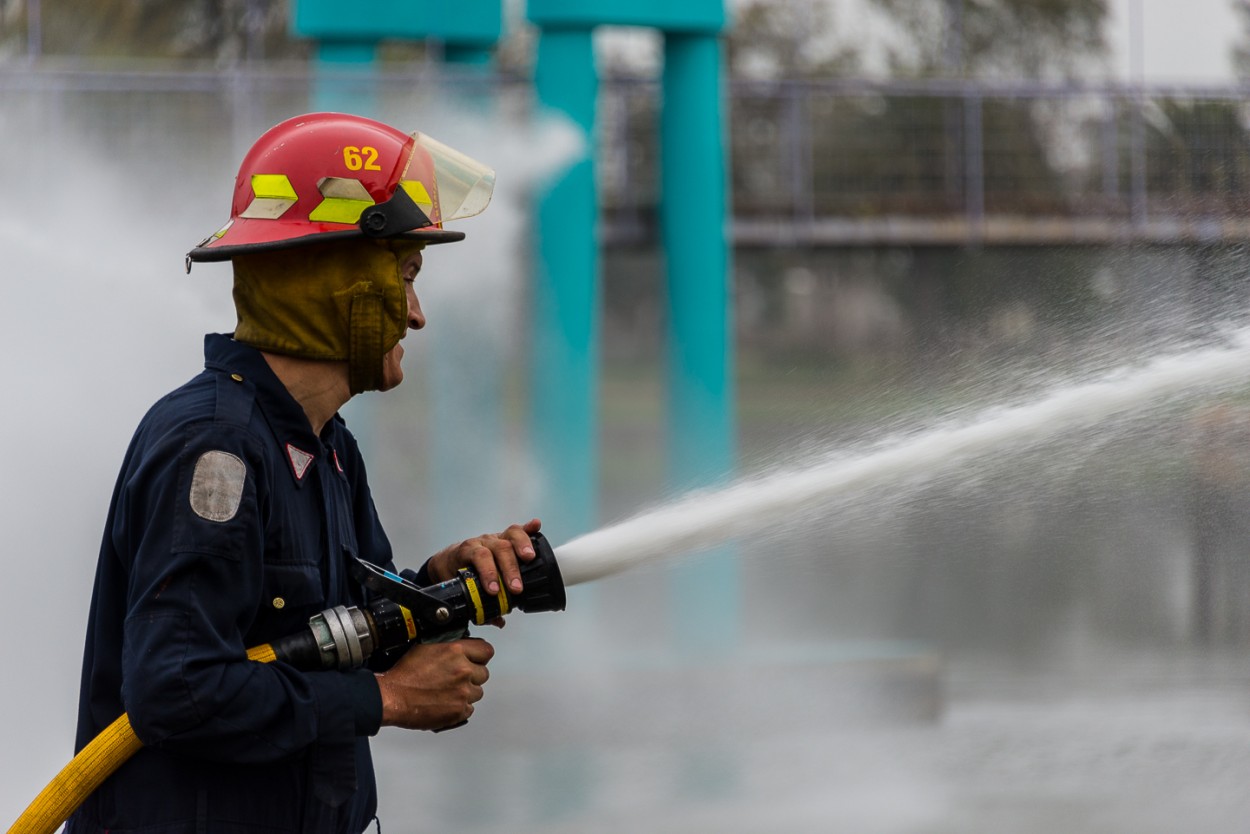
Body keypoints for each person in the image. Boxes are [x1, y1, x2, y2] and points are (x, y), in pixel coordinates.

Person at [67, 112, 540, 832]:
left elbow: (351, 629)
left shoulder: (327, 448)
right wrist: (389, 700)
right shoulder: (216, 452)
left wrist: (442, 581)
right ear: (337, 282)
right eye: (405, 277)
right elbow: (176, 689)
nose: (417, 316)